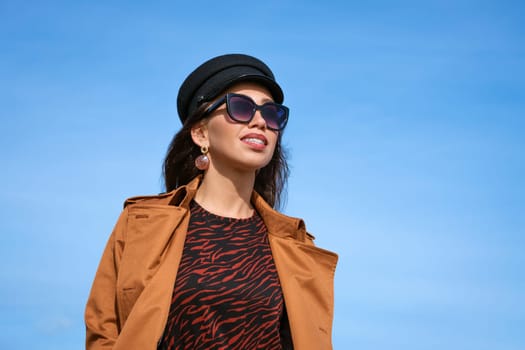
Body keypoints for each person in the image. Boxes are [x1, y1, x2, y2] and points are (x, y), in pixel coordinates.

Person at [85, 53, 338, 350]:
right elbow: (104, 331)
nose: (260, 122)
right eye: (241, 107)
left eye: (271, 114)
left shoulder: (295, 246)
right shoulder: (142, 225)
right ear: (201, 132)